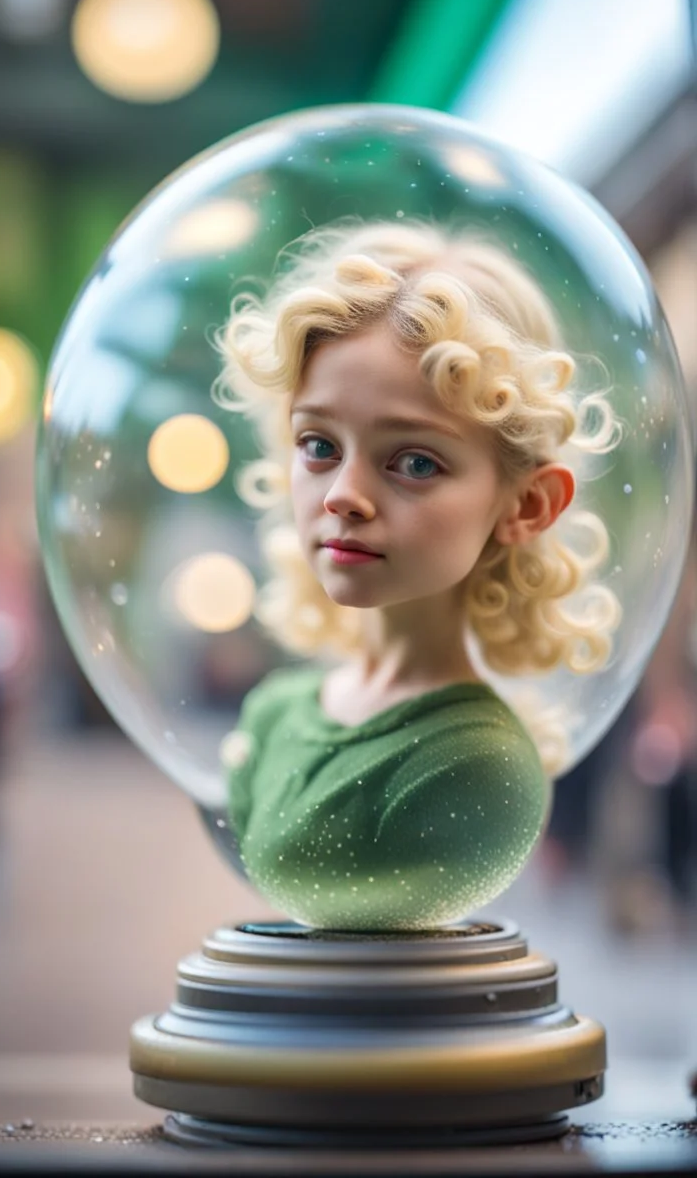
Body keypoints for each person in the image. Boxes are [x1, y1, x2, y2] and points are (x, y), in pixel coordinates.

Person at [213, 221, 620, 929]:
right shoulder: (277, 712)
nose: (344, 494)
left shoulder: (473, 765)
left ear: (526, 504)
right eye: (318, 445)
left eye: (416, 462)